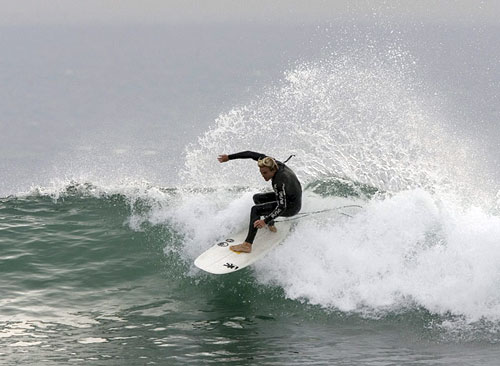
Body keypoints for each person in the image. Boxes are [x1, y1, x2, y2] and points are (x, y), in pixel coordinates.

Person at [217, 151, 302, 253]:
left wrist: (264, 221)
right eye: (261, 172)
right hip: (289, 197)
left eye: (265, 173)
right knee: (258, 198)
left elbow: (282, 207)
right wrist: (229, 157)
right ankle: (271, 224)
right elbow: (250, 154)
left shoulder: (279, 181)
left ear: (273, 169)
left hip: (292, 206)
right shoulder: (271, 162)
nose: (263, 175)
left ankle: (247, 245)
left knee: (256, 210)